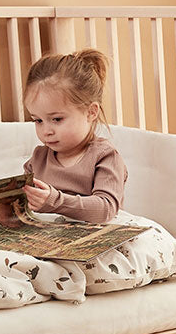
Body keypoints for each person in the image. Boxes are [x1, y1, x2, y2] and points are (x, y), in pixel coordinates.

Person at [23, 49, 126, 224]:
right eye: (38, 120)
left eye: (56, 119)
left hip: (96, 234)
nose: (46, 130)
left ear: (90, 112)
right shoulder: (39, 158)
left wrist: (55, 201)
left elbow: (105, 208)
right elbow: (25, 205)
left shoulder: (104, 156)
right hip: (52, 237)